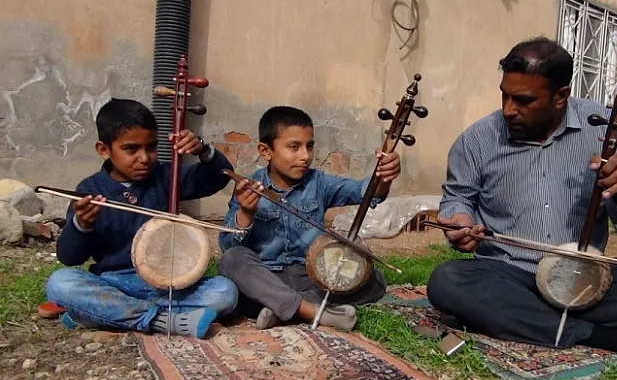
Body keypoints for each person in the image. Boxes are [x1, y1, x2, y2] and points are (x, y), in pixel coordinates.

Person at [426, 37, 617, 361]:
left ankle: (517, 319)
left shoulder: (603, 128)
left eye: (523, 100)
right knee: (447, 281)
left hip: (585, 278)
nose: (509, 109)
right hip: (507, 274)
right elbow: (458, 199)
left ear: (560, 96)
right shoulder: (478, 139)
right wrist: (460, 221)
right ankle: (598, 334)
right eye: (505, 96)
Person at [44, 98, 239, 339]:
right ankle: (162, 320)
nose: (145, 158)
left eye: (151, 147)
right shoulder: (90, 189)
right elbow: (69, 257)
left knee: (225, 291)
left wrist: (203, 150)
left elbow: (218, 177)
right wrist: (82, 225)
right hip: (114, 283)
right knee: (61, 282)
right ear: (104, 150)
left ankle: (103, 314)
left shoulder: (166, 176)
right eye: (131, 149)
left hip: (168, 284)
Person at [217, 106, 400, 331]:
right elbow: (227, 245)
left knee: (375, 281)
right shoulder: (249, 187)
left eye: (309, 146)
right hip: (267, 277)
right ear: (266, 151)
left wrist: (384, 178)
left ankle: (285, 309)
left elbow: (365, 192)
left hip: (310, 279)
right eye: (294, 147)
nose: (305, 156)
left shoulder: (319, 183)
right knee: (232, 260)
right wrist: (246, 213)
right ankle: (314, 311)